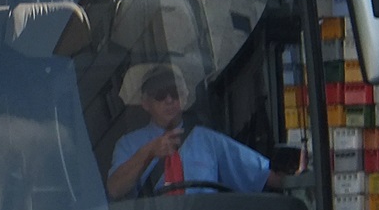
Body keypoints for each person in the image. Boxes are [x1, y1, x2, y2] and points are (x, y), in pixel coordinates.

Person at [107, 62, 301, 200]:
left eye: (174, 92)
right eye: (160, 93)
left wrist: (303, 179)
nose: (168, 100)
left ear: (185, 97)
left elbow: (261, 176)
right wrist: (149, 152)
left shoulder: (208, 141)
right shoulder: (128, 144)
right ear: (145, 102)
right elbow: (115, 189)